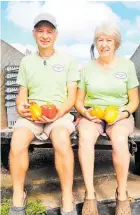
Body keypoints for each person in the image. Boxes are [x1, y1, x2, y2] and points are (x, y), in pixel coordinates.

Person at [9, 12, 79, 215]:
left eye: (49, 31)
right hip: (32, 114)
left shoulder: (68, 60)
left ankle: (67, 196)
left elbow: (71, 97)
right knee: (17, 142)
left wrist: (58, 114)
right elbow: (22, 95)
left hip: (59, 114)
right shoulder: (26, 62)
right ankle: (17, 194)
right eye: (40, 31)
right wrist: (22, 106)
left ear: (56, 34)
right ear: (34, 34)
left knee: (61, 140)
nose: (45, 35)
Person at [75, 22, 139, 215]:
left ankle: (121, 194)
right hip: (92, 114)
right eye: (100, 40)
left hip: (119, 114)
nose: (104, 44)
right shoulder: (87, 68)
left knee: (119, 140)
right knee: (85, 137)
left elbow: (134, 100)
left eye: (108, 40)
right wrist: (85, 113)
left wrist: (124, 114)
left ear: (116, 44)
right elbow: (78, 101)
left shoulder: (127, 66)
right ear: (96, 43)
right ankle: (90, 194)